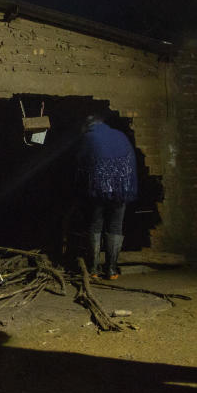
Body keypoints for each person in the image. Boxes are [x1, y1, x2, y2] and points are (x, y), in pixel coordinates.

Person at [72, 112, 138, 280]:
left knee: (96, 224)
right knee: (116, 226)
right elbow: (130, 159)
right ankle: (112, 270)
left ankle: (93, 269)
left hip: (99, 188)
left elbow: (81, 163)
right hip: (122, 187)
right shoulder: (120, 135)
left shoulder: (89, 137)